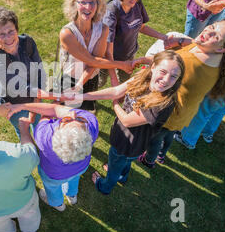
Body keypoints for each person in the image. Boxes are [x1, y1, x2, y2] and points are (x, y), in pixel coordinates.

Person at [137, 19, 225, 167]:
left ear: (221, 48)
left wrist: (143, 60)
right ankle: (162, 155)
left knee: (154, 140)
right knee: (168, 136)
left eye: (216, 36)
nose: (208, 32)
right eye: (212, 26)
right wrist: (182, 40)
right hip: (182, 115)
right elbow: (195, 43)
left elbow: (165, 66)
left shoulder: (192, 63)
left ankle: (149, 160)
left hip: (167, 114)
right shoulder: (214, 56)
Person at [75, 51, 184, 195]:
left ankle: (105, 186)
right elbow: (116, 91)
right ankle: (122, 175)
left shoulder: (162, 103)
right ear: (153, 67)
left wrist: (115, 104)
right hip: (135, 145)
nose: (166, 79)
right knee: (124, 162)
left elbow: (126, 120)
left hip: (128, 143)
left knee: (115, 164)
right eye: (163, 72)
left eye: (173, 76)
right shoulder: (143, 79)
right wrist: (81, 96)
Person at [175, 0, 225, 149]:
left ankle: (187, 139)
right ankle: (208, 132)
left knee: (205, 108)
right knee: (220, 107)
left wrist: (195, 44)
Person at [7, 102, 98, 211]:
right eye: (78, 119)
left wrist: (25, 109)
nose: (73, 115)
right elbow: (61, 110)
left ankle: (58, 204)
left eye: (66, 120)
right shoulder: (91, 124)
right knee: (74, 179)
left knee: (52, 189)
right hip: (80, 168)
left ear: (58, 135)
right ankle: (72, 196)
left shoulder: (45, 136)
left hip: (53, 175)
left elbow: (51, 112)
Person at [58, 0, 133, 112]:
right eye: (83, 2)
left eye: (92, 2)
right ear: (75, 4)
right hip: (69, 81)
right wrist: (121, 65)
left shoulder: (103, 29)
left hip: (91, 78)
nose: (88, 7)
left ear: (98, 4)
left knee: (88, 115)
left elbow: (94, 63)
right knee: (68, 118)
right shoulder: (67, 34)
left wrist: (80, 85)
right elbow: (91, 60)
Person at [100, 0, 180, 88]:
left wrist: (164, 37)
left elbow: (140, 26)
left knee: (125, 84)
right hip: (109, 58)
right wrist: (113, 78)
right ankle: (80, 97)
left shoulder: (137, 4)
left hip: (128, 55)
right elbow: (108, 52)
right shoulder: (111, 12)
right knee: (100, 81)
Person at [0, 6, 44, 138]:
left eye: (11, 31)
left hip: (35, 97)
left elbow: (39, 72)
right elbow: (16, 87)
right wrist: (47, 95)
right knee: (22, 131)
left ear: (17, 29)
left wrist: (36, 102)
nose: (8, 38)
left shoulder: (28, 42)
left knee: (39, 126)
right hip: (12, 103)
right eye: (2, 34)